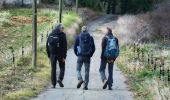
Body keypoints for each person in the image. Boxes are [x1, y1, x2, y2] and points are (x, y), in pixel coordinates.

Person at [74, 26, 95, 90]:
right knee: (87, 71)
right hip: (87, 56)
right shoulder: (90, 37)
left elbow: (75, 47)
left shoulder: (78, 37)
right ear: (87, 30)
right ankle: (85, 85)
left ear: (81, 30)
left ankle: (80, 79)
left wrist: (77, 54)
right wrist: (90, 54)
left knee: (78, 69)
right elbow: (93, 48)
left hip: (80, 56)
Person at [46, 23, 67, 88]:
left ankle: (53, 84)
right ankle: (60, 79)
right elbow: (64, 46)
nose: (63, 29)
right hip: (60, 54)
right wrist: (64, 56)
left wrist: (49, 55)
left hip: (52, 54)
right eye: (62, 28)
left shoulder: (51, 34)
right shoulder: (62, 35)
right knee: (62, 66)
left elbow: (47, 45)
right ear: (59, 28)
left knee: (53, 69)